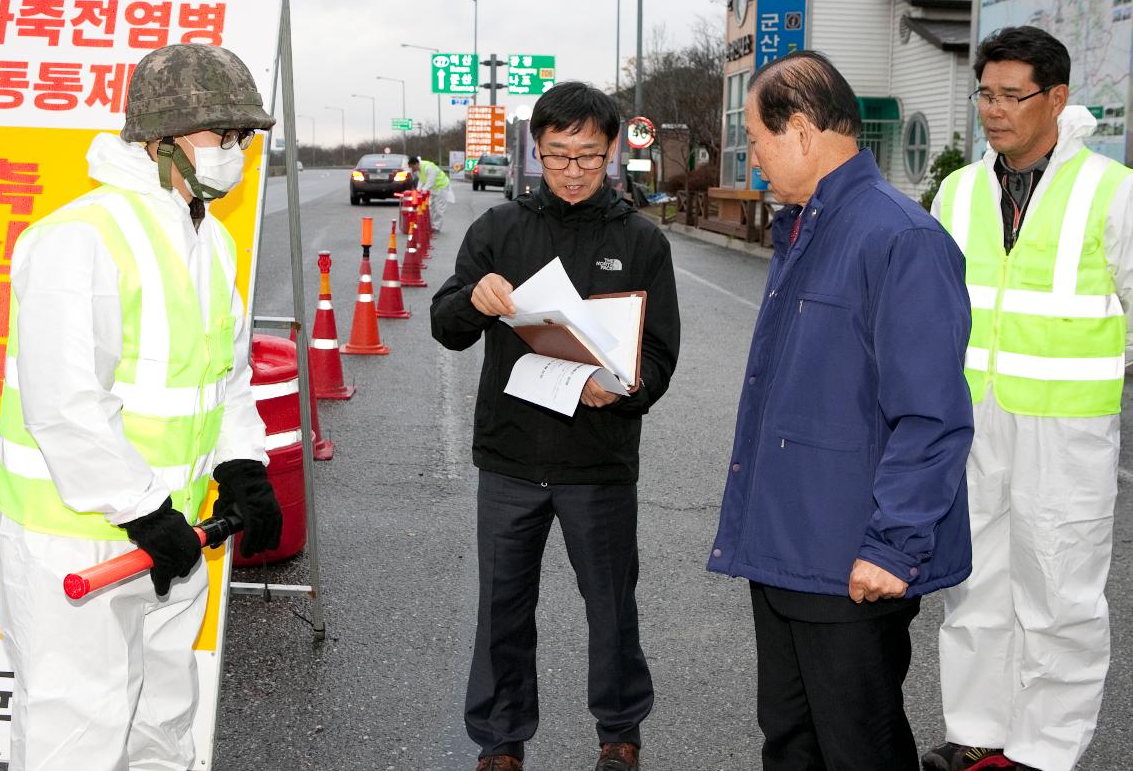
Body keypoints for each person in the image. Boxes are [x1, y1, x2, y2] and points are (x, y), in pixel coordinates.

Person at [0, 43, 283, 771]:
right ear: (161, 139)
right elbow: (64, 406)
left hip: (175, 533)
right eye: (225, 134)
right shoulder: (77, 236)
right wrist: (144, 511)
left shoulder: (211, 241)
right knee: (77, 733)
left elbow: (226, 376)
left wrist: (244, 466)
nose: (237, 152)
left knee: (164, 719)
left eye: (245, 136)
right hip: (81, 538)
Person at [707, 51, 974, 770]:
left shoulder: (899, 237)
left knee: (860, 746)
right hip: (790, 547)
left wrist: (891, 546)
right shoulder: (808, 226)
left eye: (758, 140)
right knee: (792, 741)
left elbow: (933, 415)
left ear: (799, 130)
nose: (755, 158)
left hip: (851, 557)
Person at [431, 81, 680, 771]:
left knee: (611, 608)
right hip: (511, 458)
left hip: (598, 462)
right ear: (536, 150)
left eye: (589, 156)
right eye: (558, 154)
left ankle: (620, 734)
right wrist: (472, 300)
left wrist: (623, 389)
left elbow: (659, 354)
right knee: (501, 609)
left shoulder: (640, 241)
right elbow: (446, 325)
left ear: (611, 153)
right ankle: (501, 741)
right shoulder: (500, 230)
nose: (573, 170)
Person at [925, 26, 1133, 771]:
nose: (994, 110)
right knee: (974, 581)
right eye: (985, 93)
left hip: (1066, 428)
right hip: (973, 422)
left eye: (1013, 95)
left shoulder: (1111, 190)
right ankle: (979, 729)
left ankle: (1045, 751)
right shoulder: (957, 190)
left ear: (1058, 98)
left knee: (1060, 592)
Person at [409, 153, 454, 232]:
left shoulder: (428, 167)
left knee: (439, 209)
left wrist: (423, 191)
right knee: (430, 208)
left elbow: (430, 181)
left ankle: (436, 227)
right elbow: (422, 180)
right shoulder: (419, 169)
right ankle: (430, 225)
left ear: (416, 164)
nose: (412, 169)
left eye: (412, 167)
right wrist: (418, 191)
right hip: (433, 189)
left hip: (442, 187)